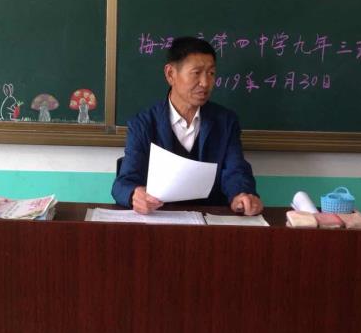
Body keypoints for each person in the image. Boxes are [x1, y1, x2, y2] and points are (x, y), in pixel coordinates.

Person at [112, 36, 263, 216]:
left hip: (211, 219)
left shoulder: (225, 122)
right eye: (196, 73)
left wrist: (241, 195)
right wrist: (133, 195)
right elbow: (123, 183)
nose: (205, 83)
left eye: (211, 73)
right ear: (170, 74)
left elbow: (235, 170)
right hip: (159, 218)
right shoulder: (143, 123)